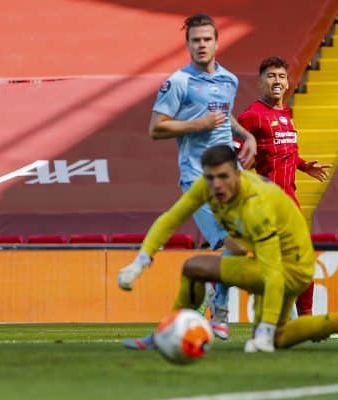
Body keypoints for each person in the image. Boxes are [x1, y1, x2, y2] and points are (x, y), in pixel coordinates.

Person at [117, 145, 338, 352]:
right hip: (279, 262)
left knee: (194, 267)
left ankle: (168, 333)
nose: (216, 185)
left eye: (223, 177)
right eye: (210, 178)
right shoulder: (208, 186)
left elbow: (273, 274)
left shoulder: (256, 205)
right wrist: (141, 260)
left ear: (238, 173)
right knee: (282, 336)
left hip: (290, 268)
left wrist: (263, 331)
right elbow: (171, 218)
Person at [122, 13, 257, 349]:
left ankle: (189, 318)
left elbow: (223, 116)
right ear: (187, 45)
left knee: (238, 246)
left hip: (232, 179)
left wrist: (247, 135)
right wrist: (197, 125)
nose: (201, 45)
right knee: (230, 245)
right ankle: (220, 312)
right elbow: (156, 128)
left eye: (206, 39)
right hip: (198, 179)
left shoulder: (229, 80)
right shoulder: (178, 82)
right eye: (195, 40)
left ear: (215, 42)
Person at [236, 56, 331, 316]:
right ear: (261, 82)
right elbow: (234, 154)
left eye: (281, 76)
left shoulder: (286, 114)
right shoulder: (252, 116)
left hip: (290, 199)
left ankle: (302, 318)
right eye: (270, 76)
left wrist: (302, 165)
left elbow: (278, 150)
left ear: (288, 82)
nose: (276, 81)